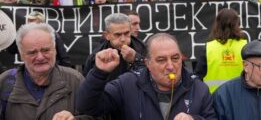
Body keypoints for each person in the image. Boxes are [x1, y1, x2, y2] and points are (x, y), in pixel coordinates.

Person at [77, 33, 217, 120]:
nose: (170, 66)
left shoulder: (199, 89)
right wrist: (99, 73)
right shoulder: (127, 84)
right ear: (148, 64)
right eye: (161, 60)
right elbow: (86, 107)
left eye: (175, 58)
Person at [0, 23, 91, 120]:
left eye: (46, 50)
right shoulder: (5, 82)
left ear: (55, 50)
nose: (40, 57)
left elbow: (95, 116)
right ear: (21, 55)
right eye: (32, 52)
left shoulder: (75, 80)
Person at [194, 8, 247, 92]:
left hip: (214, 99)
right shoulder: (245, 46)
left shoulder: (208, 48)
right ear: (237, 24)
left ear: (217, 24)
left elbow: (198, 78)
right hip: (240, 96)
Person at [83, 13, 146, 80]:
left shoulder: (142, 48)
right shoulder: (97, 56)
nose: (123, 39)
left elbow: (152, 76)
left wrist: (136, 58)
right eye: (117, 35)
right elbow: (90, 85)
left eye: (126, 33)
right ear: (107, 35)